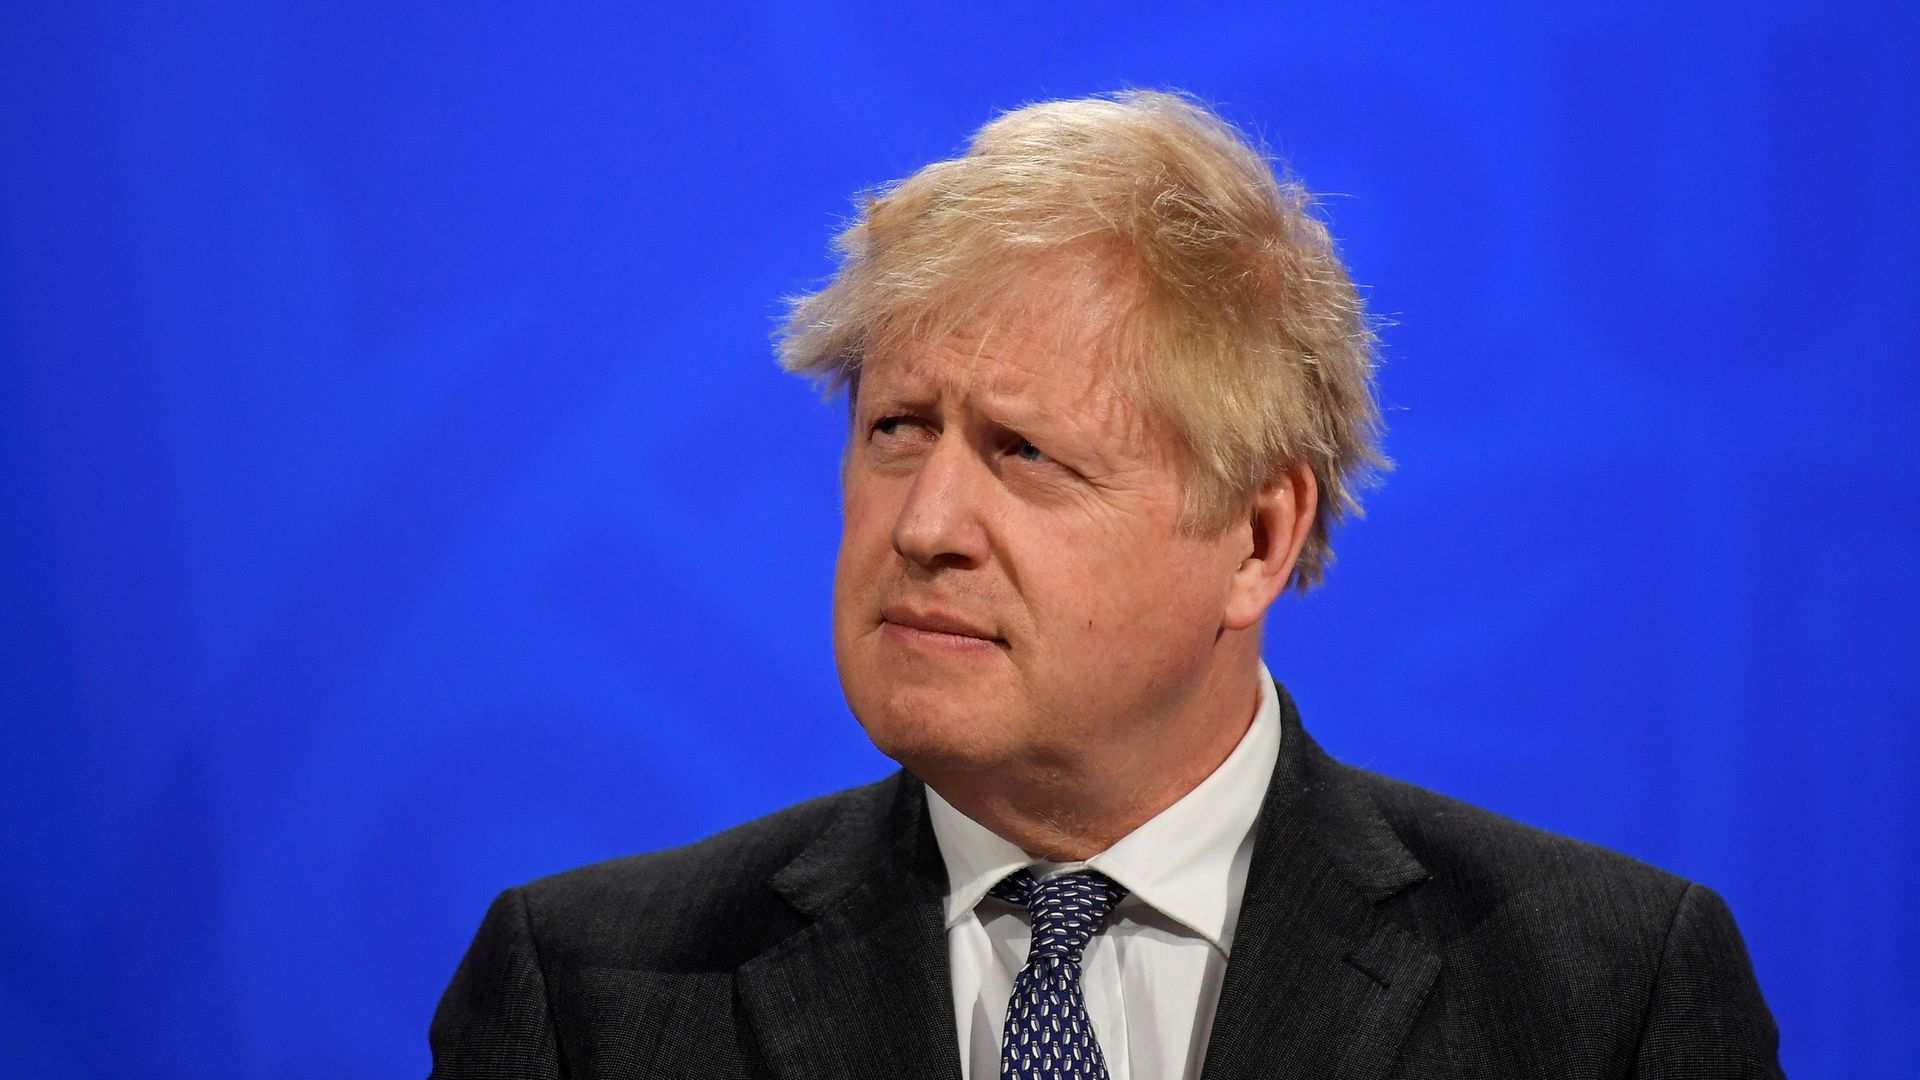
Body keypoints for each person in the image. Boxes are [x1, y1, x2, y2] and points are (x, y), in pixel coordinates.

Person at [429, 90, 1782, 1079]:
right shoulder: (589, 998)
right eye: (897, 429)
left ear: (1256, 539)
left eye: (1024, 453)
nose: (928, 523)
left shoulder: (1603, 998)